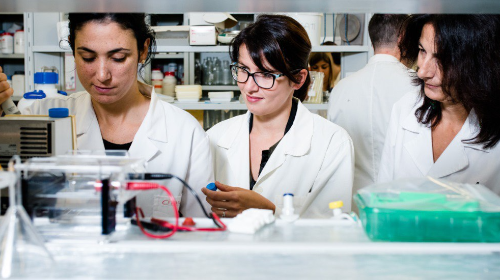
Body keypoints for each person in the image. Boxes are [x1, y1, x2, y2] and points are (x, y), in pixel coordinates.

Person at [1, 13, 214, 218]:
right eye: (88, 57)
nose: (102, 75)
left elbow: (202, 229)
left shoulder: (185, 132)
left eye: (118, 58)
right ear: (72, 49)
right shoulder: (38, 116)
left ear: (143, 50)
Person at [202, 15, 354, 218]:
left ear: (298, 79)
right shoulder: (215, 137)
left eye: (266, 74)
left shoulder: (332, 143)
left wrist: (271, 211)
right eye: (243, 70)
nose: (249, 87)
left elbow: (333, 231)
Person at [378, 15, 500, 196]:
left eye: (441, 59)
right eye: (422, 51)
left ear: (480, 63)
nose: (422, 72)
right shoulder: (404, 109)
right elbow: (382, 197)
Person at [327, 14, 416, 211]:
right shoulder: (419, 87)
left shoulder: (341, 89)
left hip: (353, 206)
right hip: (405, 206)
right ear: (403, 38)